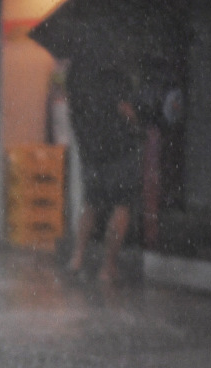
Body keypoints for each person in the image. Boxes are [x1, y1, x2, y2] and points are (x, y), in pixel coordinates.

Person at [65, 60, 144, 284]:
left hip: (91, 151)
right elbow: (127, 110)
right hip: (119, 150)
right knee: (121, 206)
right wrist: (137, 123)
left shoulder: (78, 72)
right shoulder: (117, 72)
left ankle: (77, 258)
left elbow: (74, 111)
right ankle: (108, 267)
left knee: (91, 204)